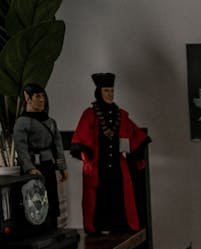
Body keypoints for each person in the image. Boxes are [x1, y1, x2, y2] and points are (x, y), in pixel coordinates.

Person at [71, 73, 150, 233]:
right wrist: (87, 156)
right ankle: (97, 226)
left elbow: (135, 135)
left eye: (112, 91)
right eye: (106, 91)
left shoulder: (121, 115)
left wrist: (137, 154)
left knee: (120, 196)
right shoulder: (90, 114)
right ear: (99, 92)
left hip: (117, 167)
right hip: (98, 165)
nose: (110, 94)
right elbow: (82, 135)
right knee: (97, 198)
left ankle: (119, 225)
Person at [12, 83, 68, 231]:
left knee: (52, 198)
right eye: (38, 96)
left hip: (48, 164)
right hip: (34, 168)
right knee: (35, 199)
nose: (42, 100)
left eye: (43, 96)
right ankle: (38, 230)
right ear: (28, 98)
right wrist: (29, 167)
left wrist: (62, 167)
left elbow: (58, 147)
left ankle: (52, 228)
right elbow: (21, 148)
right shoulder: (22, 123)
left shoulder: (50, 122)